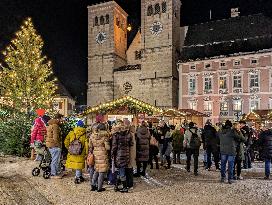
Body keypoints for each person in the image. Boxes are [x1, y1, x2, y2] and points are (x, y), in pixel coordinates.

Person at [111, 121, 133, 193]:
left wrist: (112, 154)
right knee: (120, 170)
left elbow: (114, 146)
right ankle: (116, 186)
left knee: (121, 171)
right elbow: (131, 143)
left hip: (119, 155)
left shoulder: (116, 135)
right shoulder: (129, 135)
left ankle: (125, 187)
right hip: (126, 155)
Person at [64, 120, 88, 184]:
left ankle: (79, 176)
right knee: (78, 164)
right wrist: (86, 153)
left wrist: (69, 148)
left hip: (72, 152)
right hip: (81, 152)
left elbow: (66, 142)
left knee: (75, 164)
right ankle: (77, 177)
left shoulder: (71, 133)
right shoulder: (85, 134)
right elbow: (86, 145)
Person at [89, 123, 110, 192]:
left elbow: (90, 146)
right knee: (102, 171)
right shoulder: (104, 136)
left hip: (95, 153)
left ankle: (93, 185)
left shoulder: (92, 136)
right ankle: (99, 187)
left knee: (96, 169)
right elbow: (107, 147)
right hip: (103, 154)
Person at [46, 114, 63, 179]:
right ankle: (53, 174)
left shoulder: (51, 124)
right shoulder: (55, 126)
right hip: (54, 145)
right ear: (58, 118)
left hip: (50, 144)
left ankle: (57, 172)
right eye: (62, 118)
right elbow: (55, 137)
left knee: (55, 159)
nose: (62, 120)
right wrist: (59, 146)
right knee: (55, 160)